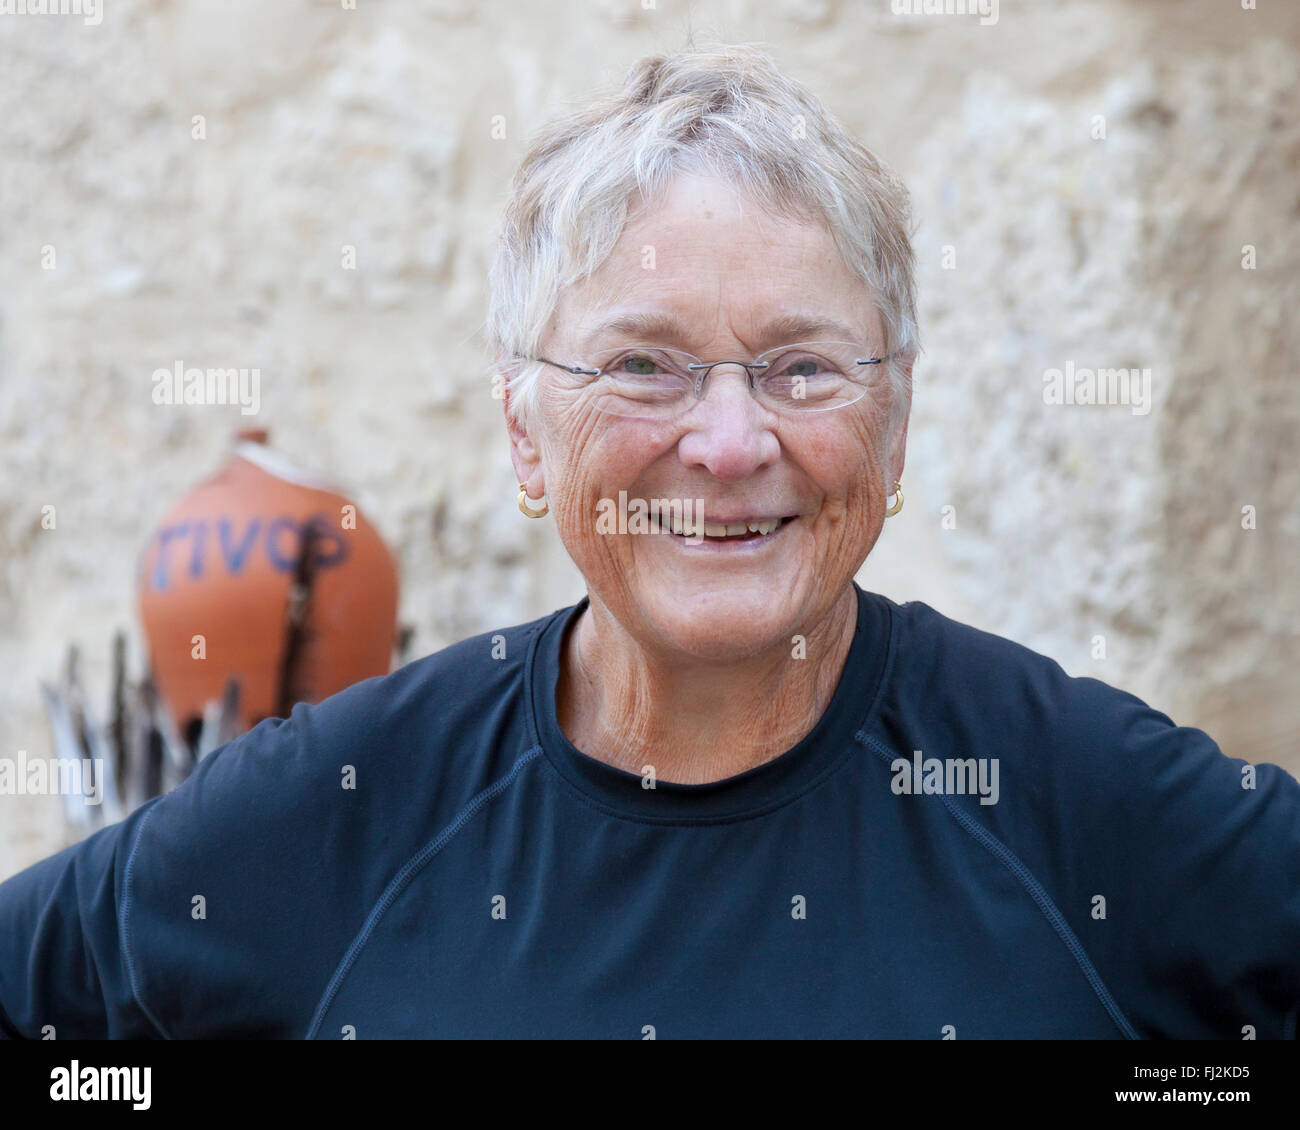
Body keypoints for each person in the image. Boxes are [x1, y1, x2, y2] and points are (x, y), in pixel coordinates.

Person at [2, 44, 1297, 1040]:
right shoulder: (343, 812)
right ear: (525, 434)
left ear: (893, 428)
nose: (729, 443)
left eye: (800, 367)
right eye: (645, 365)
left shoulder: (1084, 807)